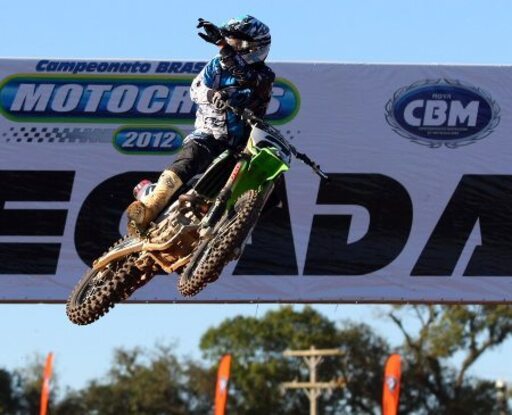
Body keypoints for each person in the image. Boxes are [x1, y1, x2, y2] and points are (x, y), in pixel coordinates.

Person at [126, 15, 275, 235]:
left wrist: (223, 46)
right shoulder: (216, 64)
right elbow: (195, 89)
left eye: (236, 42)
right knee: (189, 160)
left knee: (264, 186)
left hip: (239, 147)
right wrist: (211, 94)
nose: (231, 45)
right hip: (208, 134)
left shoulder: (264, 75)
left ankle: (228, 236)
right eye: (230, 40)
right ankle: (149, 207)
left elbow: (246, 79)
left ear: (254, 48)